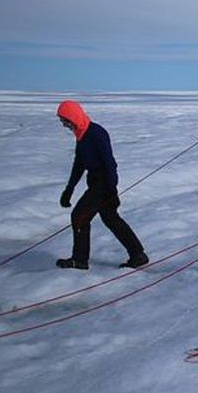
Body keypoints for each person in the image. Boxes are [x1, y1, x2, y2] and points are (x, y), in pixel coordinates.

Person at [56, 100, 149, 270]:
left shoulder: (96, 133)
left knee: (79, 217)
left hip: (103, 183)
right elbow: (79, 164)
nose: (64, 125)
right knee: (110, 218)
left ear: (73, 117)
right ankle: (138, 254)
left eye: (64, 120)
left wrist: (111, 188)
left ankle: (80, 260)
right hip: (96, 182)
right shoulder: (81, 134)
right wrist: (69, 189)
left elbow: (109, 163)